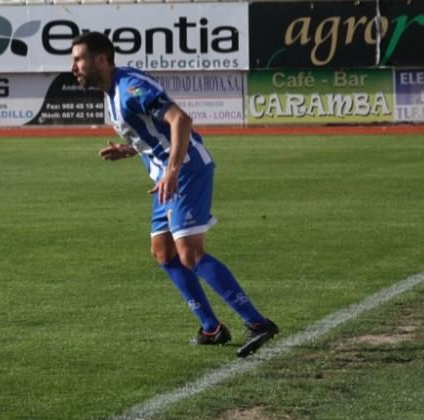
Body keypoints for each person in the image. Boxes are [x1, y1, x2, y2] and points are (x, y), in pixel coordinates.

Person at [70, 31, 278, 358]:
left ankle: (257, 323)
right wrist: (129, 149)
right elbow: (154, 131)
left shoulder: (129, 88)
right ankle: (212, 328)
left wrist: (173, 169)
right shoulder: (112, 92)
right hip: (165, 175)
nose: (74, 67)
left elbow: (180, 119)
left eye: (78, 59)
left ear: (101, 59)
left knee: (190, 253)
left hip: (186, 170)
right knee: (163, 252)